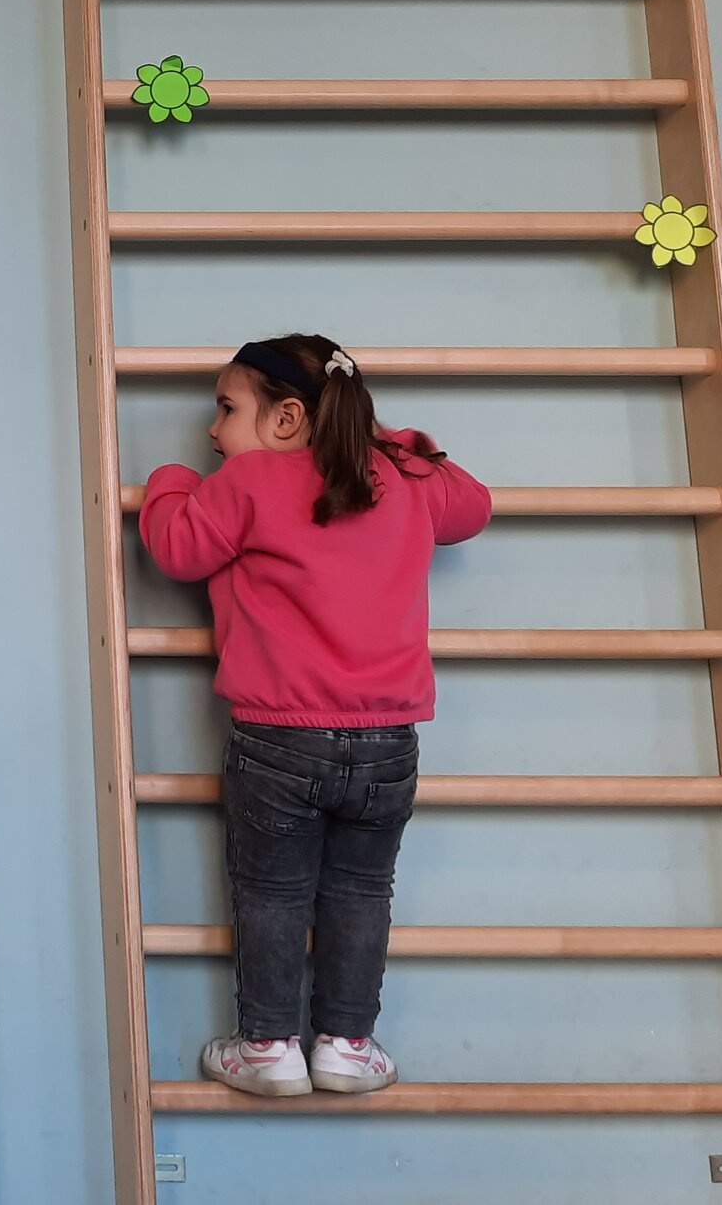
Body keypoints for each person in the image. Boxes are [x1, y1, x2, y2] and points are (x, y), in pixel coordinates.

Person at [139, 333, 491, 1096]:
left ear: (288, 417)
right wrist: (391, 442)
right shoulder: (402, 476)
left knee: (270, 894)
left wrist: (170, 482)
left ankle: (267, 1045)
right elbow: (472, 505)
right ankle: (346, 1044)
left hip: (279, 740)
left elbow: (175, 548)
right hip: (389, 741)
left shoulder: (245, 482)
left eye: (226, 409)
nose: (212, 431)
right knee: (363, 890)